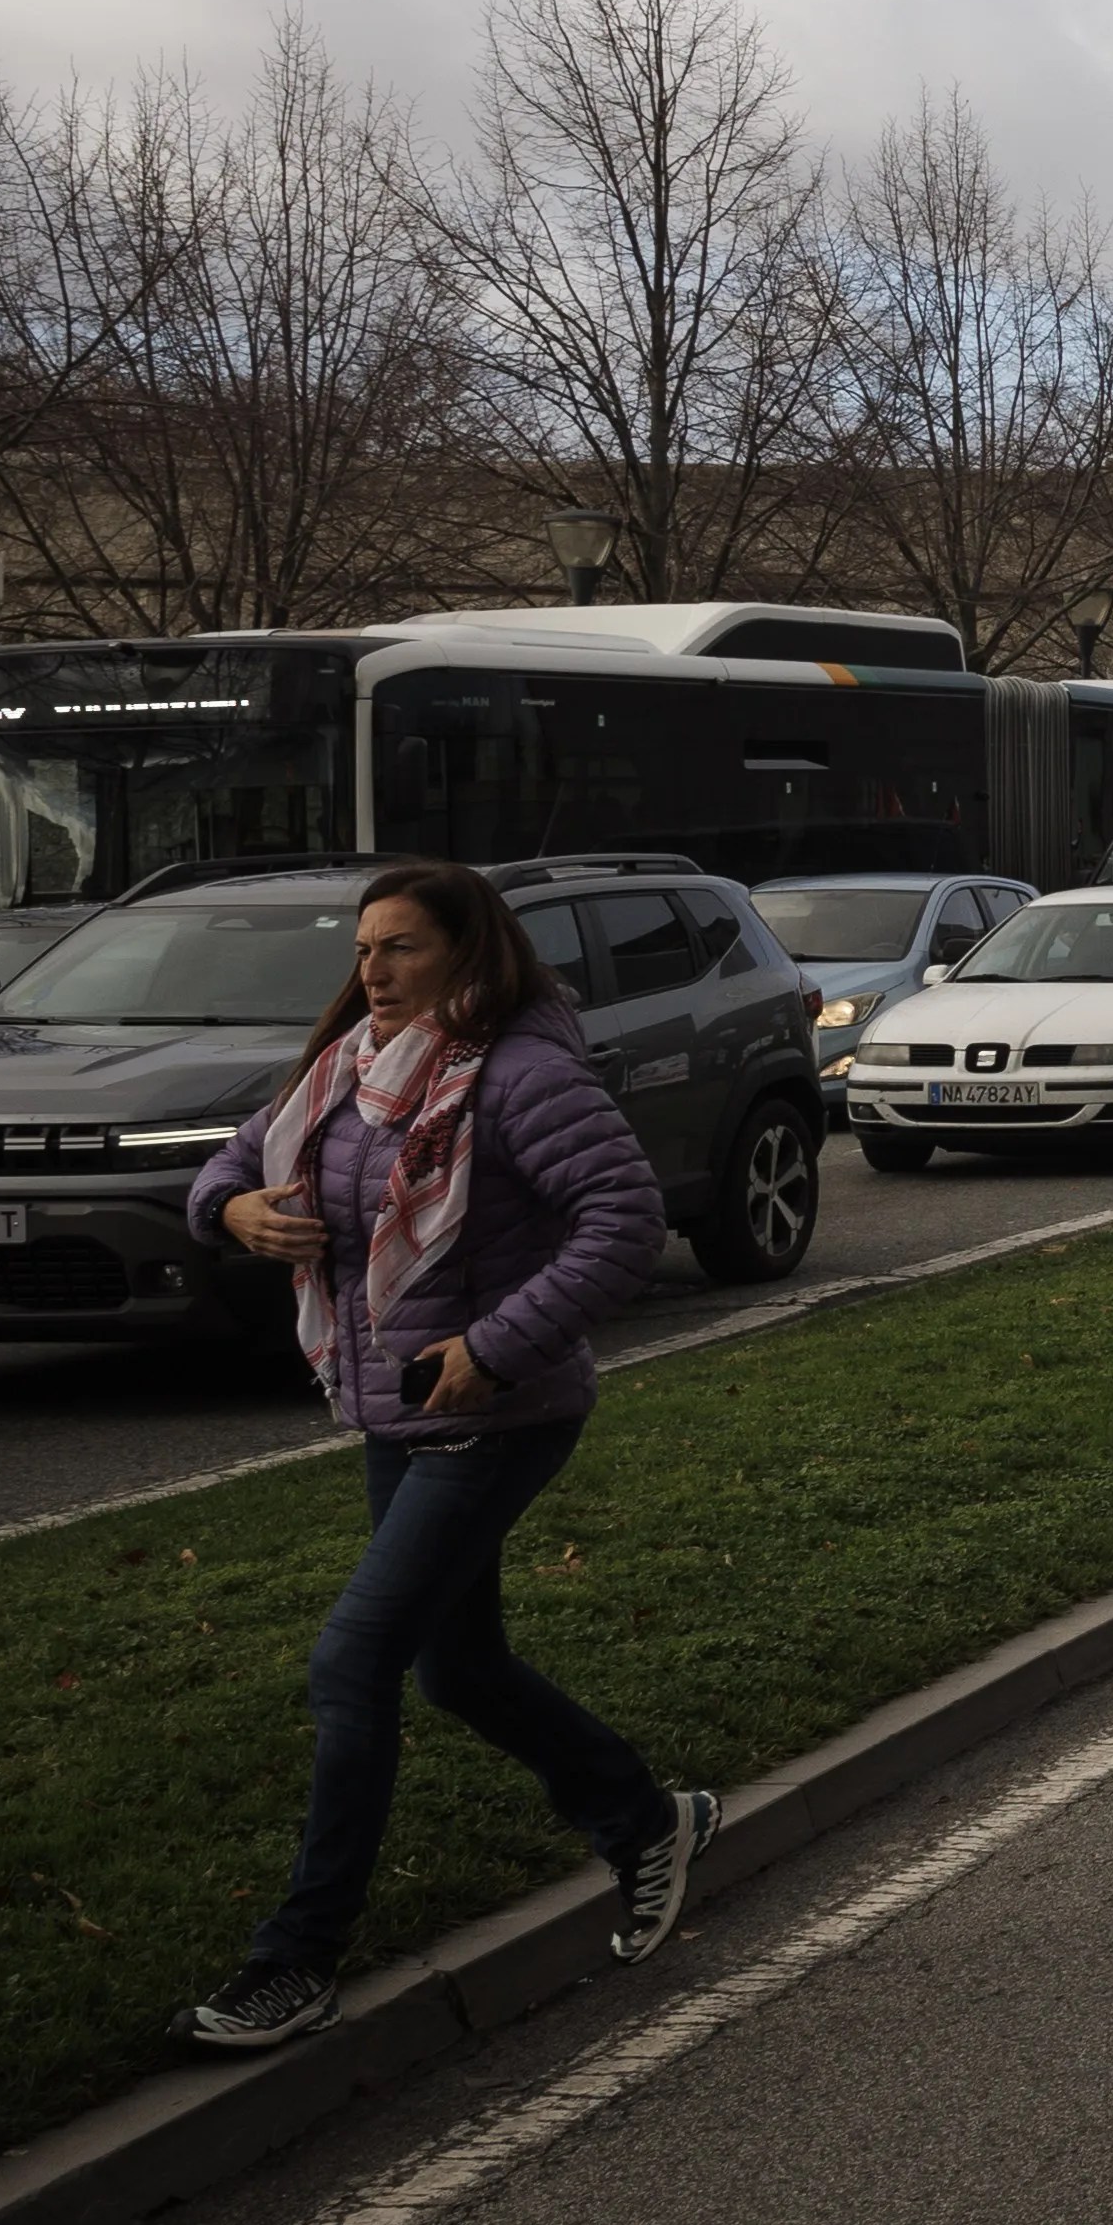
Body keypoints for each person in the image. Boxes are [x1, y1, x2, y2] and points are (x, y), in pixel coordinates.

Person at [169, 861, 716, 2054]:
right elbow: (234, 1159)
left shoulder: (522, 1073)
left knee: (352, 1664)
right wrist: (236, 1213)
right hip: (397, 1414)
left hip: (493, 1411)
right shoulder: (346, 1070)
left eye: (402, 948)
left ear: (471, 956)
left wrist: (497, 1346)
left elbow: (624, 1219)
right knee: (453, 1669)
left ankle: (297, 1958)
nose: (373, 971)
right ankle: (644, 1819)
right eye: (365, 948)